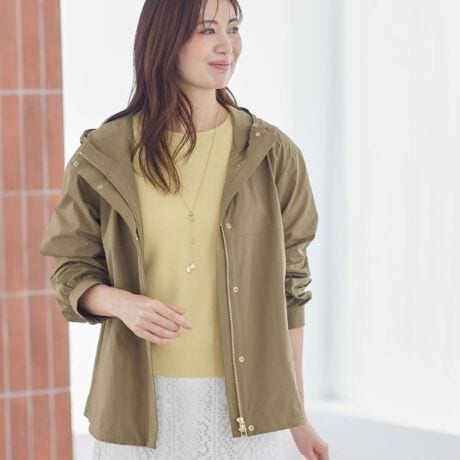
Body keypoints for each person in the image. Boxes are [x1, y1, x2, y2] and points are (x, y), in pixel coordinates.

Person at [40, 0, 329, 458]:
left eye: (233, 28)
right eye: (207, 30)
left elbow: (290, 291)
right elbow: (69, 270)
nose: (227, 45)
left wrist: (297, 415)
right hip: (139, 405)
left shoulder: (273, 154)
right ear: (166, 40)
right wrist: (123, 304)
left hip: (248, 409)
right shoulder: (104, 155)